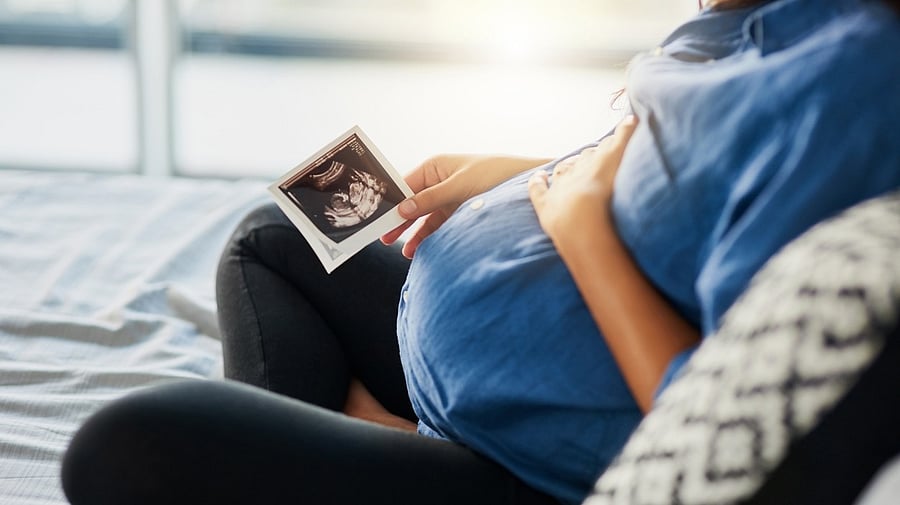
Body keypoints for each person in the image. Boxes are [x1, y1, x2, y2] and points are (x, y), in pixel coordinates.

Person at [61, 0, 900, 504]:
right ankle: (383, 442)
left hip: (534, 469)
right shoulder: (757, 17)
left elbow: (714, 418)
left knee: (129, 446)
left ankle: (378, 450)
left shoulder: (854, 84)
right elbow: (686, 181)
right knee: (276, 237)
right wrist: (535, 171)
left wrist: (582, 224)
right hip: (479, 386)